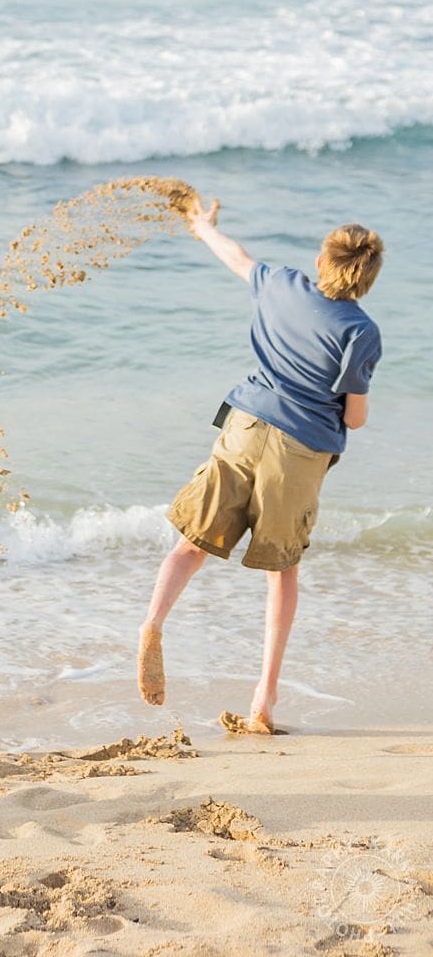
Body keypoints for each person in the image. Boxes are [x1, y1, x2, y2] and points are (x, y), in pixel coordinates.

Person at [137, 202, 383, 734]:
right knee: (282, 570)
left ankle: (153, 621)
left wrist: (204, 227)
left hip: (246, 425)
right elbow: (355, 418)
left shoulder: (283, 285)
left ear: (321, 261)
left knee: (191, 544)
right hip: (299, 452)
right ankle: (263, 699)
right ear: (367, 280)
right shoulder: (361, 332)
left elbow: (237, 257)